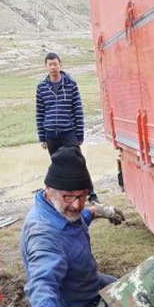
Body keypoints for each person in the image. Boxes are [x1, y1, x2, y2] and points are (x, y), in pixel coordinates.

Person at [21, 146, 126, 307]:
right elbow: (42, 284)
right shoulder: (44, 234)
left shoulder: (62, 211)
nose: (77, 204)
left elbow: (80, 217)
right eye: (69, 196)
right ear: (48, 190)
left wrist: (99, 211)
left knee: (133, 292)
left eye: (83, 195)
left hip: (90, 285)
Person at [36, 51, 99, 201]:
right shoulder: (41, 87)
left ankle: (91, 194)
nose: (53, 67)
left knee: (79, 163)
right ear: (46, 67)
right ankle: (65, 197)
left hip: (68, 132)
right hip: (51, 134)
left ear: (60, 65)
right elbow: (39, 112)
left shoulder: (71, 85)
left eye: (55, 64)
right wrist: (42, 137)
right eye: (50, 64)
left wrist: (80, 135)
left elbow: (78, 110)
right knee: (58, 166)